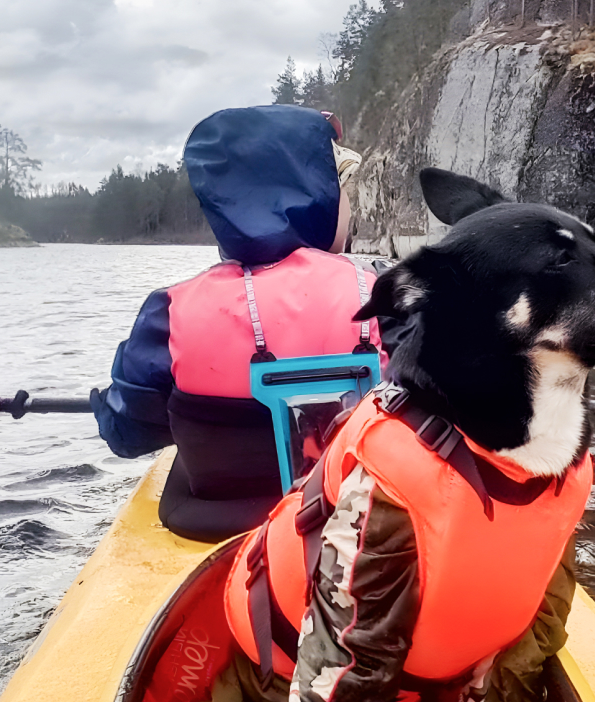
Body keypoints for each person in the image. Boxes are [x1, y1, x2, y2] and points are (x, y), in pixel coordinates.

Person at [92, 105, 380, 542]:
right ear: (318, 197)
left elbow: (128, 434)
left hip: (214, 525)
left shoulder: (169, 310)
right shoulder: (386, 296)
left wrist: (107, 406)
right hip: (355, 517)